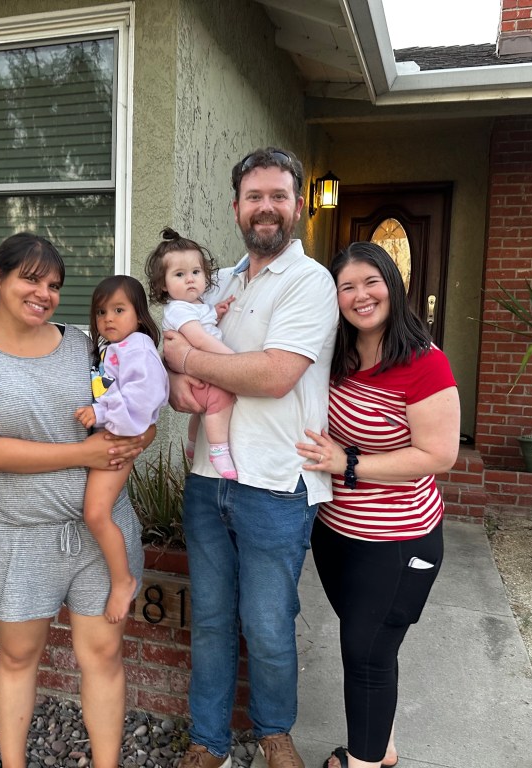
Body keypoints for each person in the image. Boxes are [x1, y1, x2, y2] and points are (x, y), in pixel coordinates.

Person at [0, 234, 152, 768]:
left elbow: (137, 398)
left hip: (102, 532)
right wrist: (84, 454)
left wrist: (140, 436)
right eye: (31, 279)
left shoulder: (84, 343)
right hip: (19, 535)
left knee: (103, 654)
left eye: (54, 285)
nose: (44, 293)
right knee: (17, 655)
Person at [162, 147, 339, 768]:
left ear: (298, 206)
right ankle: (208, 739)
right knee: (211, 620)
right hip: (207, 479)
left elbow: (274, 375)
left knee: (267, 623)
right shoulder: (219, 283)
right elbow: (172, 350)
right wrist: (175, 374)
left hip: (276, 483)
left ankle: (274, 732)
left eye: (278, 196)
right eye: (254, 196)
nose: (266, 207)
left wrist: (188, 360)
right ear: (236, 206)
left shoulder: (309, 282)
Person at [294, 242, 460, 768]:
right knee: (368, 648)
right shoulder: (337, 355)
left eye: (371, 281)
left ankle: (363, 761)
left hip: (397, 539)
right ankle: (381, 746)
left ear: (393, 283)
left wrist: (347, 462)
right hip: (336, 531)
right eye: (347, 286)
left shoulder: (424, 362)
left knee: (367, 653)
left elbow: (439, 455)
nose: (360, 296)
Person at [74, 275, 169, 623]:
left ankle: (122, 580)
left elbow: (140, 408)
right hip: (110, 435)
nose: (108, 319)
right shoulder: (117, 348)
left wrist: (100, 413)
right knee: (95, 512)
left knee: (96, 513)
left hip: (116, 440)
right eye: (101, 312)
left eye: (118, 310)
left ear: (139, 315)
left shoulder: (139, 350)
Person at [145, 227, 237, 479]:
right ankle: (218, 450)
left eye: (196, 272)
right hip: (197, 369)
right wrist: (233, 358)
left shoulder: (194, 305)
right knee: (221, 397)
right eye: (179, 274)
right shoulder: (178, 309)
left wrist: (216, 312)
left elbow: (204, 321)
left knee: (202, 410)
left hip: (197, 368)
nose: (190, 279)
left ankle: (193, 443)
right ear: (163, 285)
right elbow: (199, 338)